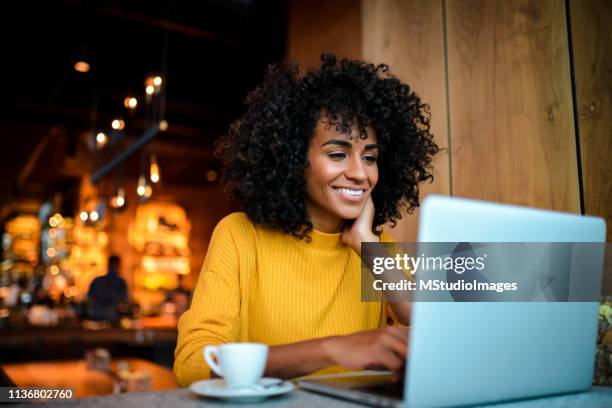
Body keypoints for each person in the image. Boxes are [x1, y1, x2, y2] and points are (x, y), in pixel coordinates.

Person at [174, 54, 439, 387]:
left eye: (370, 157)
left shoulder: (378, 250)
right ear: (294, 157)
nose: (360, 174)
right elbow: (192, 364)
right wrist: (329, 350)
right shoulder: (241, 236)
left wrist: (368, 246)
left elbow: (438, 342)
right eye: (338, 154)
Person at [87, 255, 128, 323]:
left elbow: (89, 300)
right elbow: (124, 303)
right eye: (116, 266)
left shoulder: (97, 281)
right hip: (111, 319)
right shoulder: (120, 282)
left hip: (96, 317)